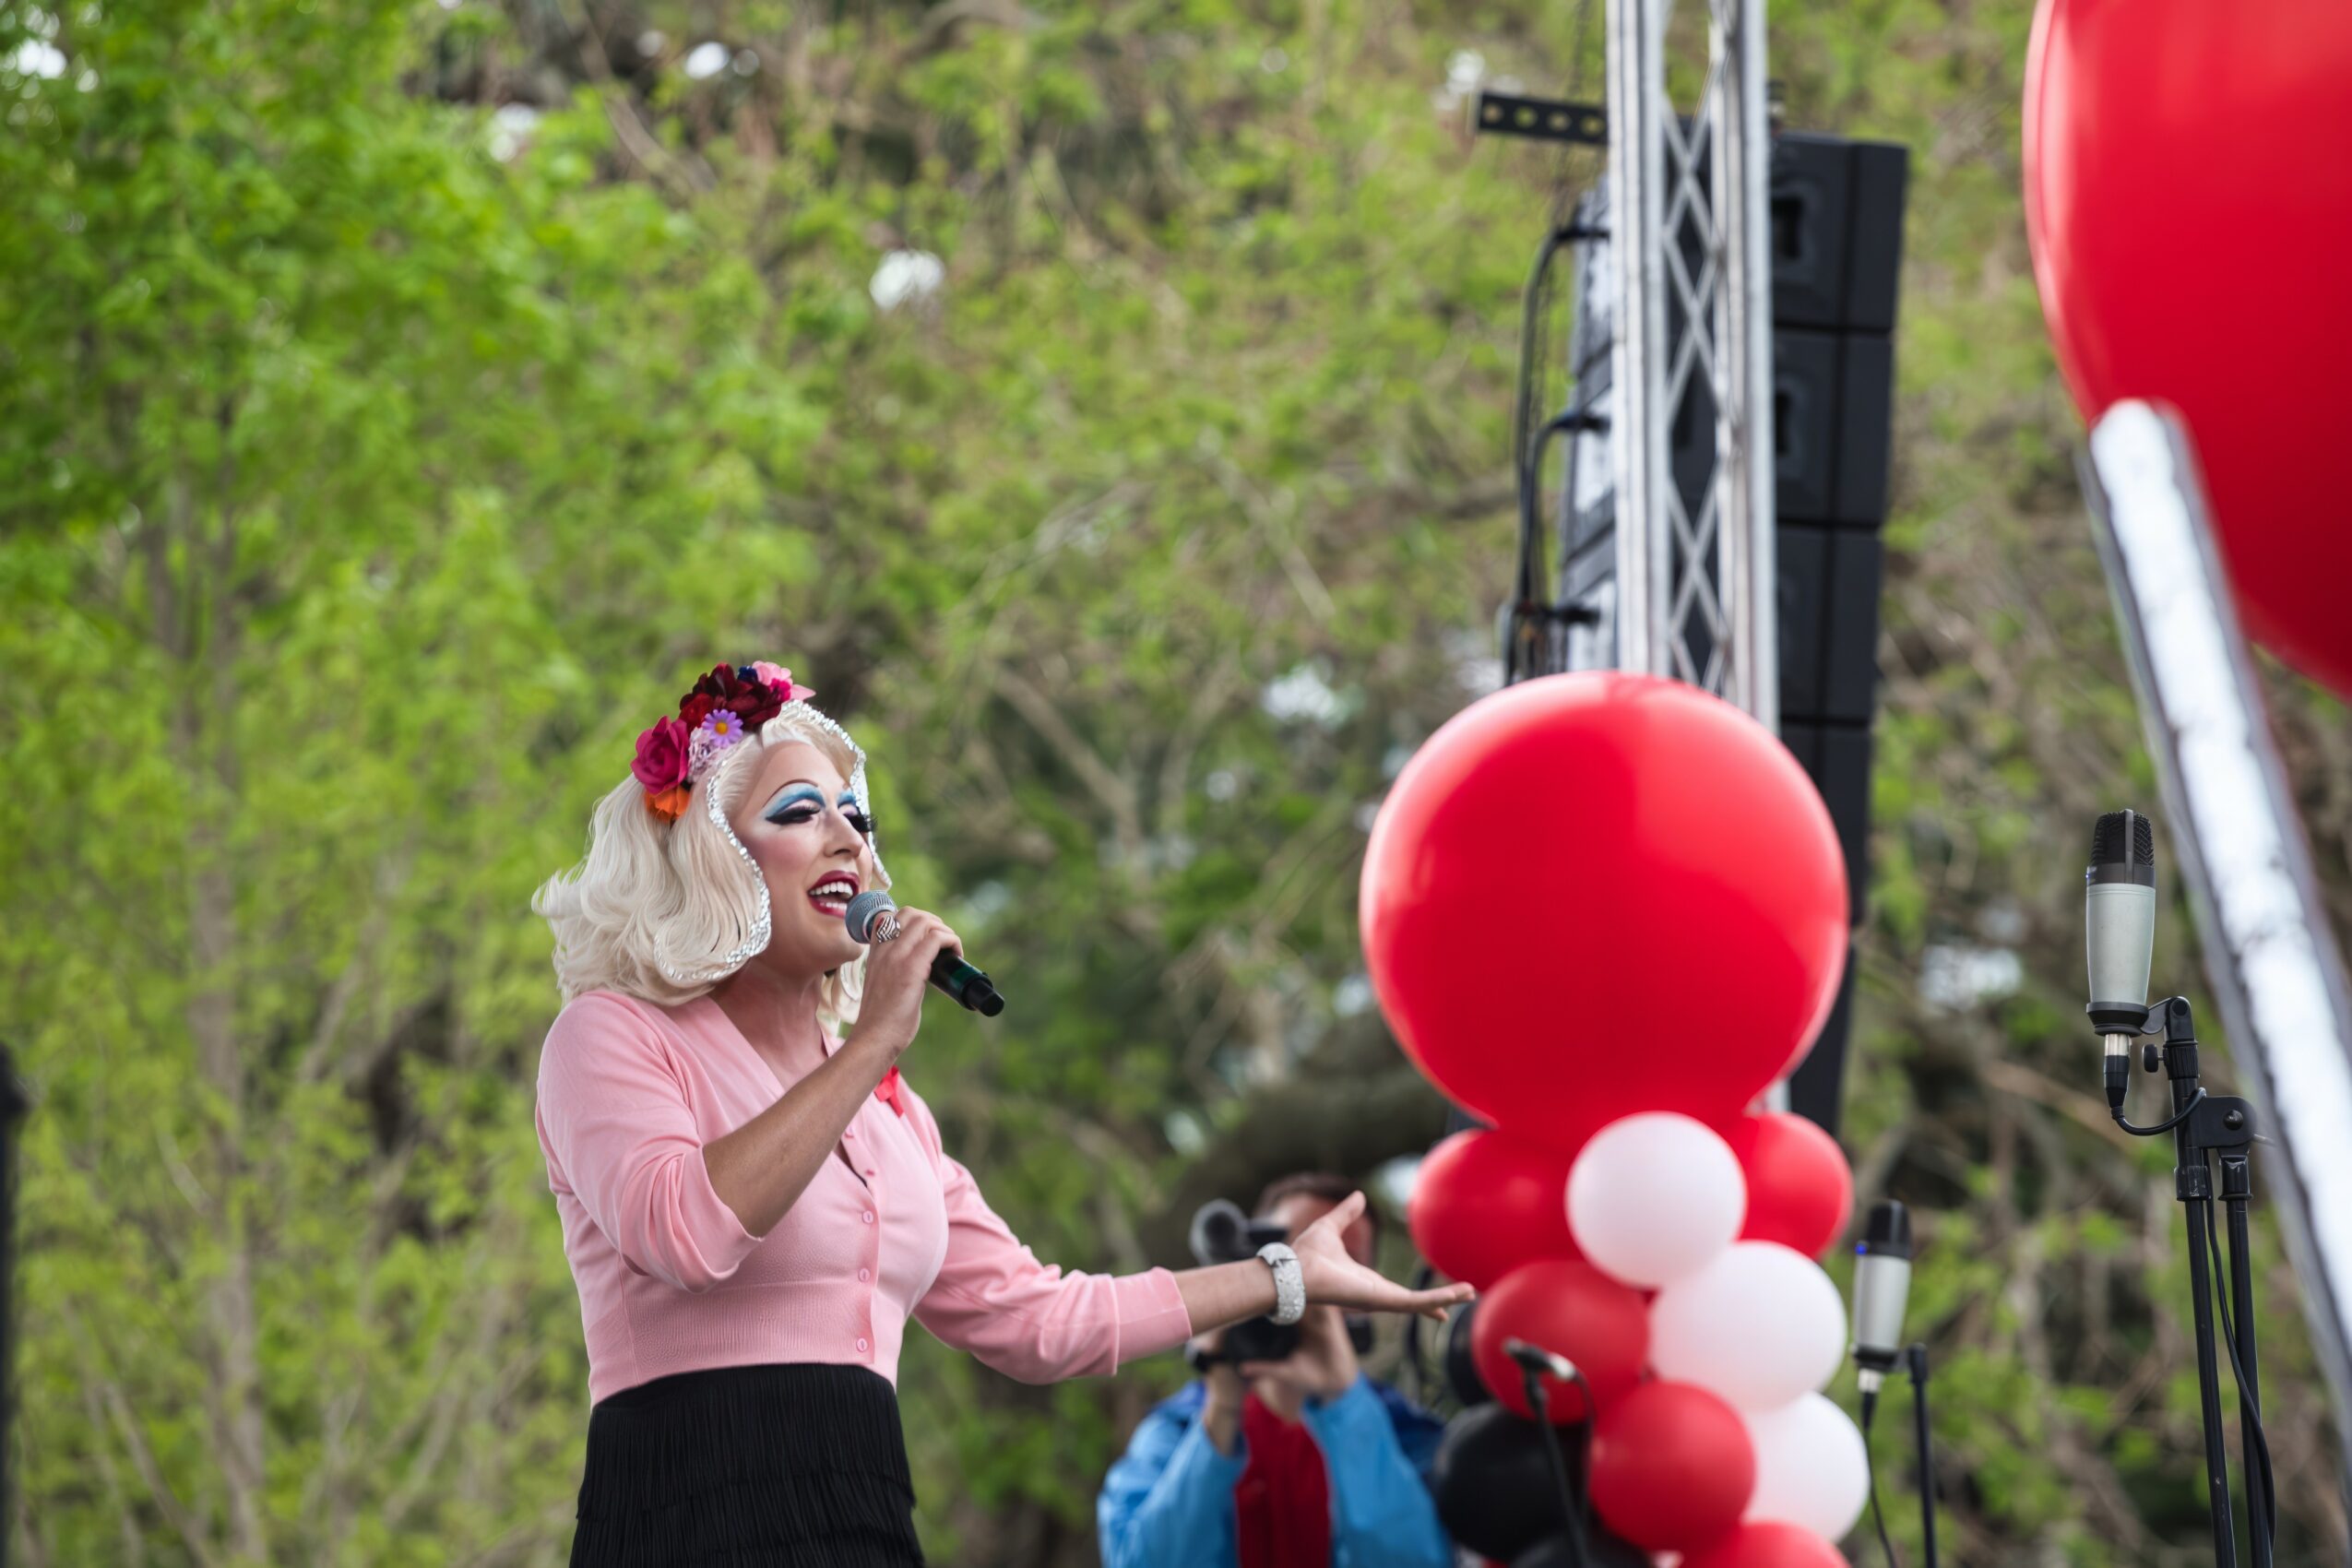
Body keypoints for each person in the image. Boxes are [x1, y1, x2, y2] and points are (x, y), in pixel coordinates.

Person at [529, 660, 1474, 1568]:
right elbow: (687, 1233)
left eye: (857, 816)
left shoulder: (887, 1110)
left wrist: (1281, 1275)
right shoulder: (611, 1036)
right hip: (689, 1512)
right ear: (713, 854)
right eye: (800, 810)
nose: (848, 837)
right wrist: (871, 1042)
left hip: (862, 1512)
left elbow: (1041, 1321)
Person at [1097, 1173, 1454, 1568]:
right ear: (1245, 1269)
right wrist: (1221, 1411)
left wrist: (1346, 1403)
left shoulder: (1407, 1432)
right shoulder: (1175, 1429)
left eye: (1342, 1264)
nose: (1310, 1284)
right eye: (1288, 1258)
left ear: (1369, 1298)